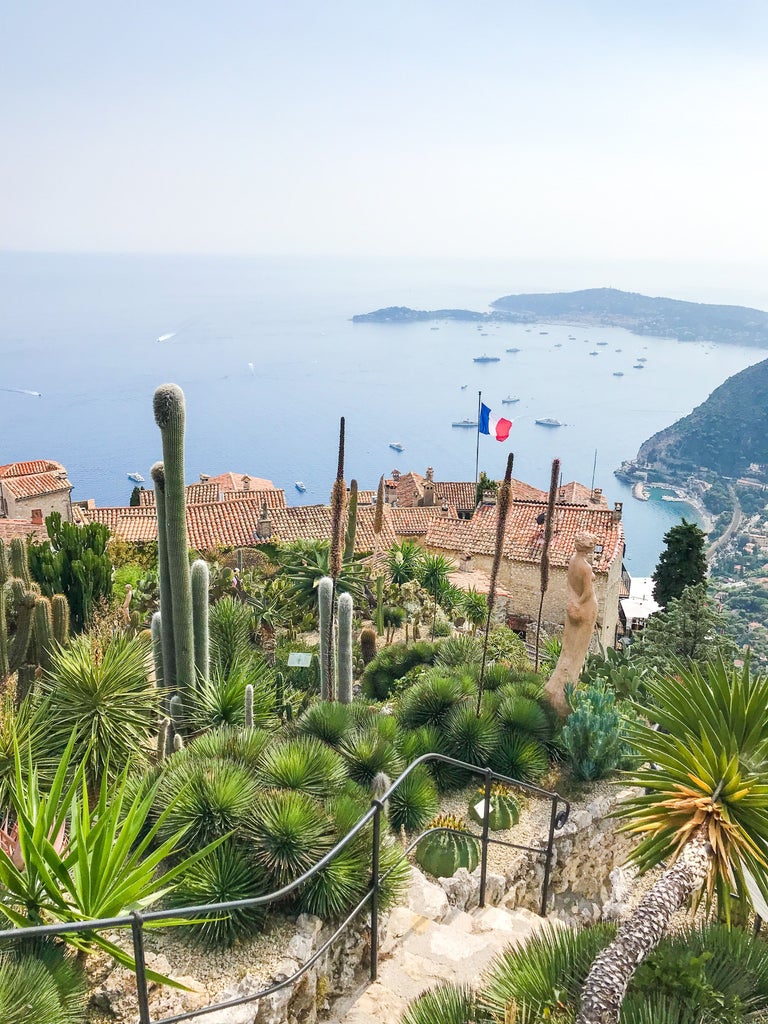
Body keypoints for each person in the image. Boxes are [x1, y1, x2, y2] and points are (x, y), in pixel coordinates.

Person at [544, 531, 599, 717]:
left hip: (572, 605)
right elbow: (588, 593)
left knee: (568, 649)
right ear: (590, 547)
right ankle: (563, 697)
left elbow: (570, 585)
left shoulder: (571, 560)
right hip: (585, 609)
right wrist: (581, 602)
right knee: (577, 654)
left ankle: (553, 688)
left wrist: (572, 602)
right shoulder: (586, 567)